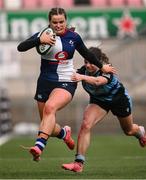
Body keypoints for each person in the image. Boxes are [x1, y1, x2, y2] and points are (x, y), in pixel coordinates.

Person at [17, 8, 116, 162]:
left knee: (50, 108)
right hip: (44, 82)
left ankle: (39, 146)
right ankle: (64, 133)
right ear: (50, 22)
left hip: (66, 80)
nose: (58, 25)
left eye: (61, 22)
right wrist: (39, 40)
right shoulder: (44, 34)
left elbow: (87, 54)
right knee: (47, 123)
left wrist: (102, 67)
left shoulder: (73, 37)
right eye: (55, 22)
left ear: (66, 21)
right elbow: (21, 47)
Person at [62, 47, 146, 172]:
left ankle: (140, 132)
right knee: (86, 125)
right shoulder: (83, 71)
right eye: (86, 62)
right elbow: (70, 75)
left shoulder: (106, 69)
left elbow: (98, 81)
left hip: (119, 100)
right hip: (99, 101)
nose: (88, 65)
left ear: (99, 61)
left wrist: (82, 77)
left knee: (128, 131)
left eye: (92, 62)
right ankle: (78, 163)